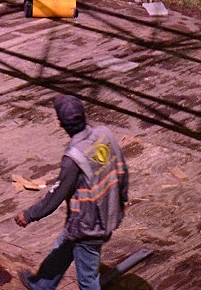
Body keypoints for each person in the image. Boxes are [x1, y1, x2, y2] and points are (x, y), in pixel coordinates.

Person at [13, 94, 129, 290]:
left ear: (59, 123)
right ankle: (42, 285)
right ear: (85, 115)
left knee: (87, 280)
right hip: (104, 213)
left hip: (88, 227)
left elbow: (55, 196)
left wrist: (29, 215)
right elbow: (122, 169)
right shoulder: (105, 134)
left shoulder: (73, 159)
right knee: (64, 245)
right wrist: (122, 199)